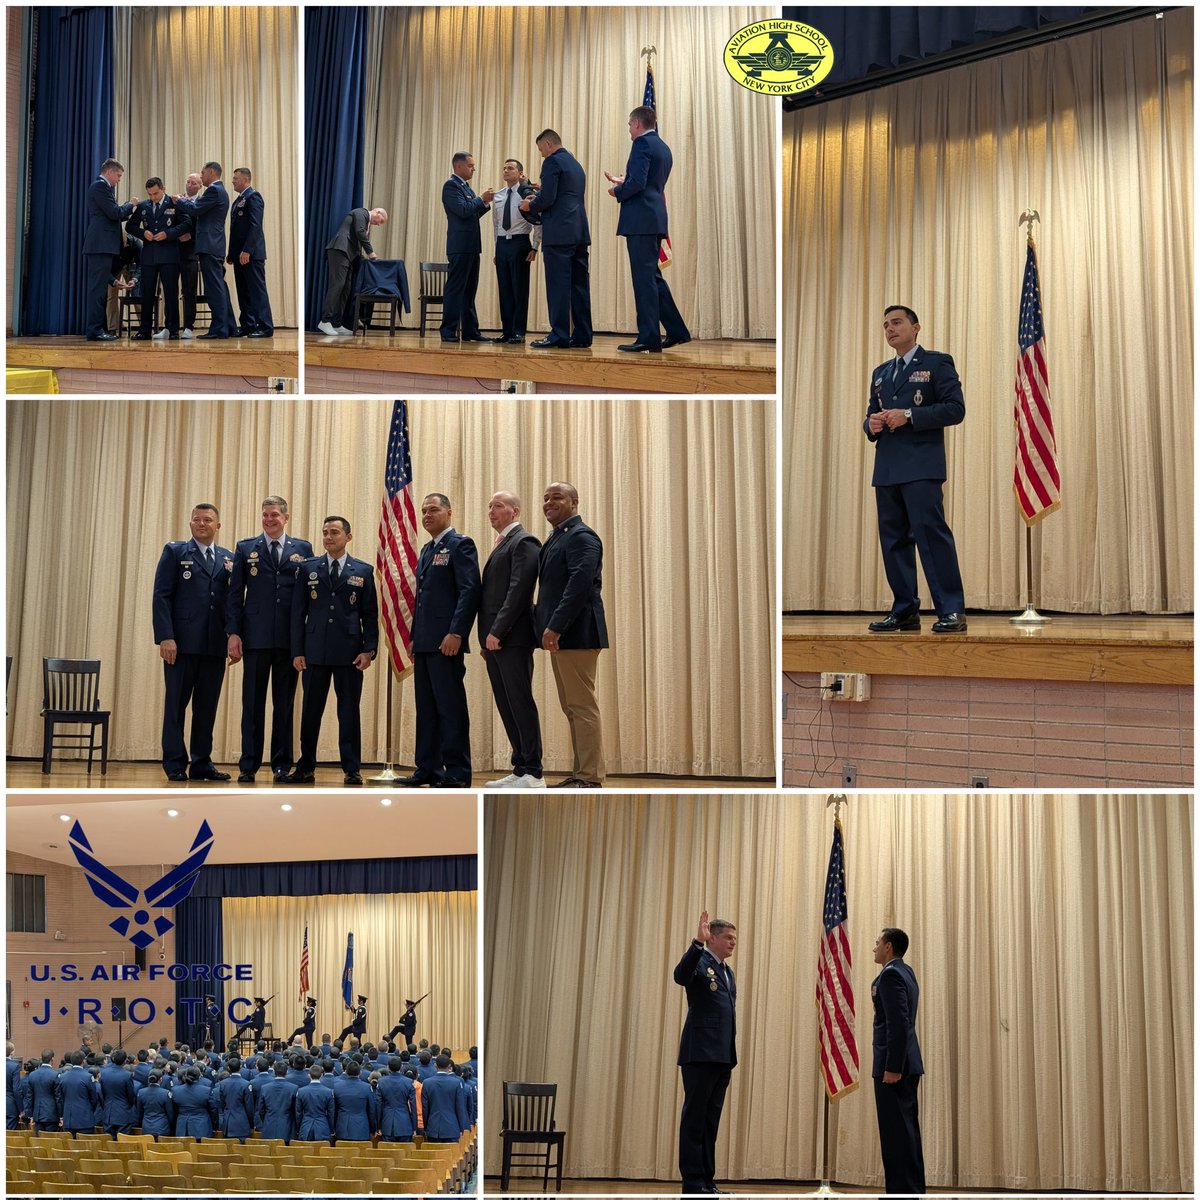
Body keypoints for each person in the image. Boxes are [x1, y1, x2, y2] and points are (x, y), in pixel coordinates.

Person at [864, 305, 967, 634]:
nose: (890, 329)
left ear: (916, 327)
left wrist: (909, 415)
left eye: (896, 322)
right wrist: (870, 424)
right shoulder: (881, 372)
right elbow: (871, 414)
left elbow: (955, 409)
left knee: (932, 537)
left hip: (922, 466)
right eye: (885, 325)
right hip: (887, 467)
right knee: (893, 542)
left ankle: (951, 610)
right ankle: (905, 609)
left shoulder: (936, 363)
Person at [226, 496, 313, 783]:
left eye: (274, 515)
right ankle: (248, 764)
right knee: (252, 704)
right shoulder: (245, 548)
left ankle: (281, 763)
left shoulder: (302, 549)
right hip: (255, 638)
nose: (268, 520)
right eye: (265, 515)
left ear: (286, 517)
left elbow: (306, 596)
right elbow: (235, 594)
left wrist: (303, 639)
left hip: (289, 640)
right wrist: (233, 633)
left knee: (284, 705)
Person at [286, 516, 379, 785]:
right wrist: (297, 651)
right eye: (325, 532)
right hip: (314, 651)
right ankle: (305, 767)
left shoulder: (362, 570)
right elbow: (298, 613)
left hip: (349, 652)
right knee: (310, 712)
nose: (328, 537)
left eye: (334, 532)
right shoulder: (308, 568)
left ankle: (352, 768)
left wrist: (369, 650)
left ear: (348, 537)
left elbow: (369, 615)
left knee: (348, 712)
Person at [398, 494, 481, 788]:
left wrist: (457, 632)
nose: (427, 515)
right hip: (424, 643)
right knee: (427, 709)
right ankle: (428, 769)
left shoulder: (460, 545)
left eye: (433, 509)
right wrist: (414, 637)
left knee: (450, 708)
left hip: (447, 641)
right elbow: (423, 600)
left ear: (449, 512)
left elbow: (469, 591)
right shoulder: (427, 549)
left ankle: (456, 771)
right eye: (423, 511)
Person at [152, 503, 233, 782]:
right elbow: (162, 596)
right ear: (190, 524)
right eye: (197, 519)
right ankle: (175, 763)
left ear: (217, 525)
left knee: (206, 708)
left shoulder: (228, 558)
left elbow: (233, 602)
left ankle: (201, 763)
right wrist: (166, 636)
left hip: (214, 645)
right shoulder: (175, 552)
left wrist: (233, 636)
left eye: (207, 520)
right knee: (176, 706)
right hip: (181, 645)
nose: (201, 524)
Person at [535, 482, 608, 786]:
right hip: (564, 636)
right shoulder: (557, 537)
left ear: (574, 502)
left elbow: (579, 584)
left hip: (576, 633)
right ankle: (582, 773)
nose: (549, 502)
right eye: (546, 498)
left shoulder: (581, 536)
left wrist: (556, 626)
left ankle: (590, 776)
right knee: (572, 707)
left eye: (557, 497)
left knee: (582, 706)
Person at [606, 106, 691, 353]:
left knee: (644, 281)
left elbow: (639, 183)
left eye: (629, 125)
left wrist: (617, 190)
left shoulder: (641, 144)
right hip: (654, 217)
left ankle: (648, 337)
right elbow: (650, 182)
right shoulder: (663, 147)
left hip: (641, 220)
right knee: (652, 277)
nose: (629, 130)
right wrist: (625, 181)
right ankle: (677, 331)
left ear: (637, 123)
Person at [479, 491, 544, 788]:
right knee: (506, 704)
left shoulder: (524, 541)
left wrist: (497, 631)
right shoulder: (502, 543)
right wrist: (486, 638)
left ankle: (534, 771)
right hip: (495, 641)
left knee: (519, 702)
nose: (491, 511)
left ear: (515, 511)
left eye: (498, 506)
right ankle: (520, 767)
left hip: (512, 638)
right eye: (490, 506)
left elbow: (519, 591)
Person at [674, 911, 738, 1196]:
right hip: (700, 1053)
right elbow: (680, 976)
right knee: (695, 1120)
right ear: (712, 937)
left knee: (710, 1122)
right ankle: (693, 1182)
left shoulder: (727, 971)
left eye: (735, 938)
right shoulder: (699, 961)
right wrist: (696, 944)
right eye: (728, 937)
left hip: (722, 1056)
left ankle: (707, 1182)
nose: (733, 942)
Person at [522, 131, 592, 348]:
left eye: (541, 149)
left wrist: (530, 205)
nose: (542, 154)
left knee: (558, 286)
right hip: (579, 231)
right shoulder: (576, 164)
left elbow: (548, 198)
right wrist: (540, 197)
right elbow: (563, 195)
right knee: (579, 286)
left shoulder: (552, 162)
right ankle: (583, 335)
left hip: (559, 233)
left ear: (548, 144)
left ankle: (559, 335)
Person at [872, 927, 925, 1195]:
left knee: (896, 1134)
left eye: (877, 942)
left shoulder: (891, 975)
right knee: (906, 1131)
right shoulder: (907, 972)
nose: (874, 947)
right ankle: (911, 1189)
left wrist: (892, 1067)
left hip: (895, 1067)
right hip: (907, 1063)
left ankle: (901, 1192)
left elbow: (897, 1023)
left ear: (888, 946)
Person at [173, 162, 239, 338]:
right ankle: (229, 327)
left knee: (214, 289)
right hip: (215, 245)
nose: (201, 177)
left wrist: (179, 200)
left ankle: (219, 329)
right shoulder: (220, 191)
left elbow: (195, 209)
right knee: (220, 287)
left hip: (209, 245)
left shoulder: (214, 190)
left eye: (202, 173)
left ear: (211, 172)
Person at [124, 176, 192, 340]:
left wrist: (168, 234)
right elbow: (130, 226)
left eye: (156, 193)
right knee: (147, 293)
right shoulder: (143, 206)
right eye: (150, 194)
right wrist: (143, 233)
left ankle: (173, 329)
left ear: (163, 189)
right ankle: (144, 330)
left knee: (170, 293)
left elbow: (187, 223)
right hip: (149, 256)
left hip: (169, 255)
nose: (153, 197)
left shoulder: (174, 203)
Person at [440, 152, 494, 343]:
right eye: (470, 165)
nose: (474, 169)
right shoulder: (451, 186)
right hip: (460, 245)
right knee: (455, 289)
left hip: (471, 245)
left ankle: (471, 331)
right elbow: (463, 210)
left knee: (470, 290)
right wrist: (481, 199)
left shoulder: (465, 187)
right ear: (459, 166)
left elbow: (471, 214)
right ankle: (448, 330)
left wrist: (484, 202)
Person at [83, 158, 138, 340]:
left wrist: (126, 209)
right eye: (119, 176)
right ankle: (95, 331)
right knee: (97, 291)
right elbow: (114, 213)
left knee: (100, 290)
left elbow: (112, 214)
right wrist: (130, 204)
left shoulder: (103, 188)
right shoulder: (100, 186)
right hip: (100, 244)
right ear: (110, 172)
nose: (119, 180)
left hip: (103, 245)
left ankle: (101, 329)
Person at [490, 158, 540, 343]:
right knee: (504, 289)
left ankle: (519, 331)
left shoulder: (526, 194)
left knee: (519, 289)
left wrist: (535, 246)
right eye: (504, 168)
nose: (506, 171)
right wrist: (496, 248)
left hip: (520, 243)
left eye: (510, 168)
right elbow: (496, 224)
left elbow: (538, 222)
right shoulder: (498, 195)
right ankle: (507, 331)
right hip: (502, 245)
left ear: (520, 173)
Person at [318, 206, 387, 335]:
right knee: (337, 285)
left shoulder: (365, 221)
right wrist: (370, 252)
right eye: (380, 221)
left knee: (345, 289)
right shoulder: (361, 212)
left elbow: (356, 241)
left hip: (348, 256)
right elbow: (359, 232)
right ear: (378, 212)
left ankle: (337, 323)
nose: (378, 224)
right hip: (340, 250)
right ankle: (325, 321)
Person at [227, 167, 274, 337]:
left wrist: (247, 250)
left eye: (236, 178)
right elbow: (235, 230)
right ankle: (248, 324)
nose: (233, 181)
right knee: (243, 292)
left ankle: (265, 326)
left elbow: (255, 225)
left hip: (251, 255)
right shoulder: (239, 199)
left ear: (245, 180)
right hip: (239, 255)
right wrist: (232, 254)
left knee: (256, 291)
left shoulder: (253, 197)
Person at [421, 1054, 470, 1142]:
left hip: (433, 1127)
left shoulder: (427, 1083)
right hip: (452, 1128)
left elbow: (425, 1108)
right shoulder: (456, 1083)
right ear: (449, 1066)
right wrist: (461, 1128)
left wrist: (426, 1127)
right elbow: (460, 1107)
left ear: (435, 1065)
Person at [178, 172, 203, 337]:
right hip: (174, 251)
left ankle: (188, 326)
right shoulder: (177, 200)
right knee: (171, 290)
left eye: (194, 183)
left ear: (200, 186)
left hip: (191, 252)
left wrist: (191, 236)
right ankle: (171, 326)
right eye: (188, 182)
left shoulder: (202, 203)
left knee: (189, 290)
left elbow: (204, 227)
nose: (190, 185)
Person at [332, 1058, 378, 1141]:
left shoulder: (337, 1087)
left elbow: (334, 1111)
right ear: (360, 1073)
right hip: (362, 1129)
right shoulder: (367, 1088)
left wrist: (333, 1127)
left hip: (342, 1128)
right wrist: (373, 1129)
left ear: (346, 1072)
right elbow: (371, 1111)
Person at [212, 1055, 254, 1143]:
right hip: (242, 1123)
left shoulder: (223, 1084)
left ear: (228, 1068)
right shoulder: (246, 1084)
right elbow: (249, 1107)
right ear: (240, 1067)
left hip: (228, 1123)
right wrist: (251, 1124)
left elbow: (222, 1104)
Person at [97, 1048, 138, 1136]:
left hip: (108, 1113)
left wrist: (106, 1105)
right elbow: (131, 1096)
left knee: (108, 1142)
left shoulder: (104, 1073)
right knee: (122, 1143)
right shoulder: (127, 1075)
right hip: (123, 1114)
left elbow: (101, 1093)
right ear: (125, 1060)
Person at [377, 1056, 418, 1142]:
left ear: (388, 1067)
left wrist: (378, 1126)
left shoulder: (381, 1082)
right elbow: (413, 1106)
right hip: (405, 1124)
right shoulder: (408, 1082)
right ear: (401, 1066)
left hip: (387, 1124)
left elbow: (378, 1106)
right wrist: (414, 1127)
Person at [256, 1061, 299, 1143]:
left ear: (273, 1072)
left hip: (269, 1125)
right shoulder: (293, 1088)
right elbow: (295, 1110)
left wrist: (267, 1118)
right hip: (287, 1126)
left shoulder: (265, 1088)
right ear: (286, 1072)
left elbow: (261, 1110)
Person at [294, 1064, 336, 1141]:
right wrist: (331, 1130)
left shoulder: (301, 1091)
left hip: (305, 1127)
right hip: (323, 1127)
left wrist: (299, 1129)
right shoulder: (329, 1092)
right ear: (321, 1075)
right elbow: (331, 1114)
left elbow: (298, 1114)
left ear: (309, 1076)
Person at [136, 1070, 175, 1138]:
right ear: (161, 1079)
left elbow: (139, 1113)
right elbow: (170, 1115)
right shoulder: (166, 1093)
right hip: (162, 1127)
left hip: (146, 1127)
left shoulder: (141, 1092)